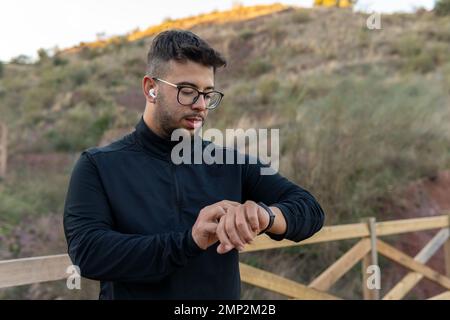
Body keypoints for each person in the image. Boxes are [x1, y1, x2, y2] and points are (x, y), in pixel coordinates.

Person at [63, 29, 325, 300]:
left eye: (208, 94)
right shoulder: (98, 166)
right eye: (187, 91)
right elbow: (87, 253)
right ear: (150, 88)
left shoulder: (230, 162)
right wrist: (190, 241)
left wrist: (263, 216)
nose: (201, 105)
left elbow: (310, 211)